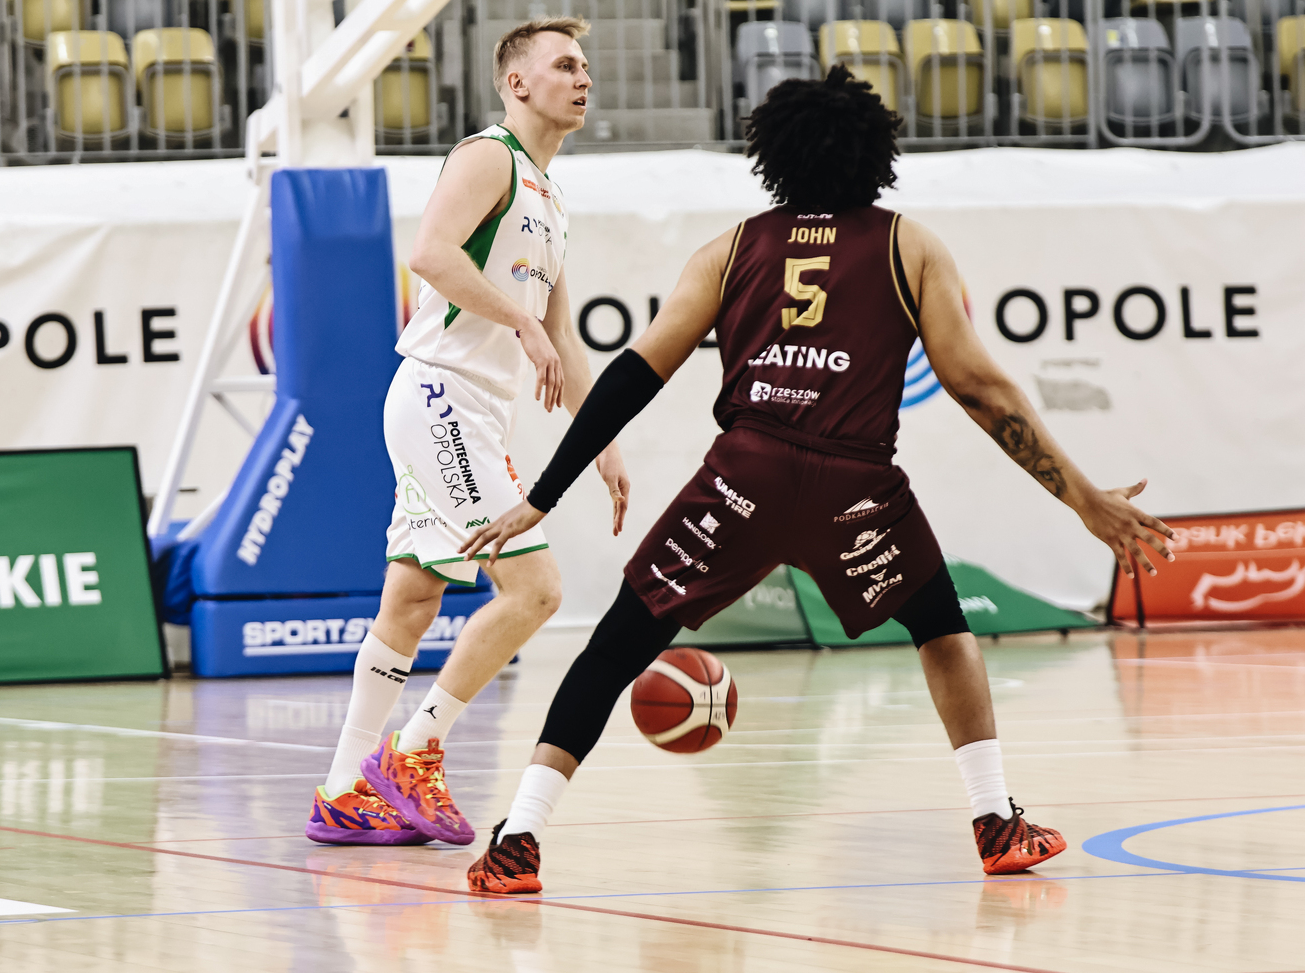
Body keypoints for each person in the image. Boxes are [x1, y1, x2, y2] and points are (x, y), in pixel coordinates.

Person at [460, 65, 1176, 891]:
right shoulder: (909, 246)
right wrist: (1083, 499)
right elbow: (982, 390)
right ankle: (994, 820)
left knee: (616, 647)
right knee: (942, 631)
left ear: (773, 156)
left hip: (745, 478)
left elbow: (633, 375)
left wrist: (542, 495)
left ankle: (519, 838)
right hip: (855, 488)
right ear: (876, 152)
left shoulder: (730, 250)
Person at [305, 17, 633, 847]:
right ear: (517, 82)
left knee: (413, 598)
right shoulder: (489, 156)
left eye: (586, 66)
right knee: (535, 591)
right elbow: (431, 253)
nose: (583, 78)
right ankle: (415, 749)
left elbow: (563, 336)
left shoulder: (551, 198)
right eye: (565, 65)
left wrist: (602, 442)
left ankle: (341, 792)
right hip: (440, 395)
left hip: (471, 406)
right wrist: (519, 322)